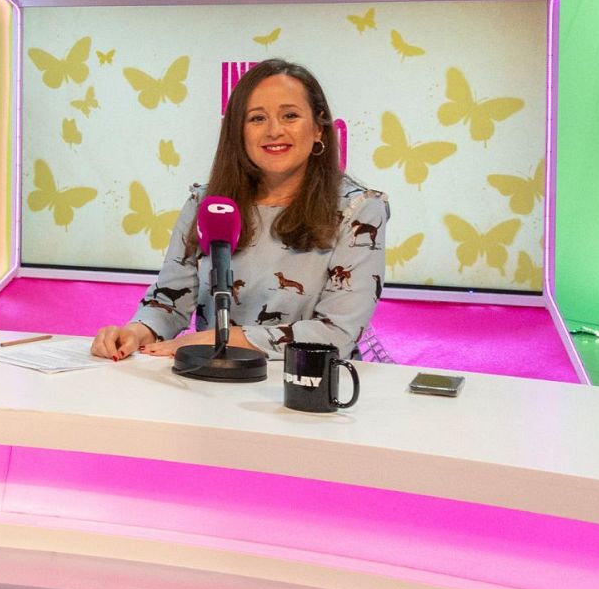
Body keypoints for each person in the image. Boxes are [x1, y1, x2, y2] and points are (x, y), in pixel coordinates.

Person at [92, 58, 388, 362]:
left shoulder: (359, 209)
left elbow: (336, 333)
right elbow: (170, 300)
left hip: (309, 389)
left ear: (318, 129)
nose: (274, 130)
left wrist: (217, 340)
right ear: (238, 132)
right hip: (214, 384)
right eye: (257, 118)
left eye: (290, 115)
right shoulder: (205, 203)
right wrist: (137, 331)